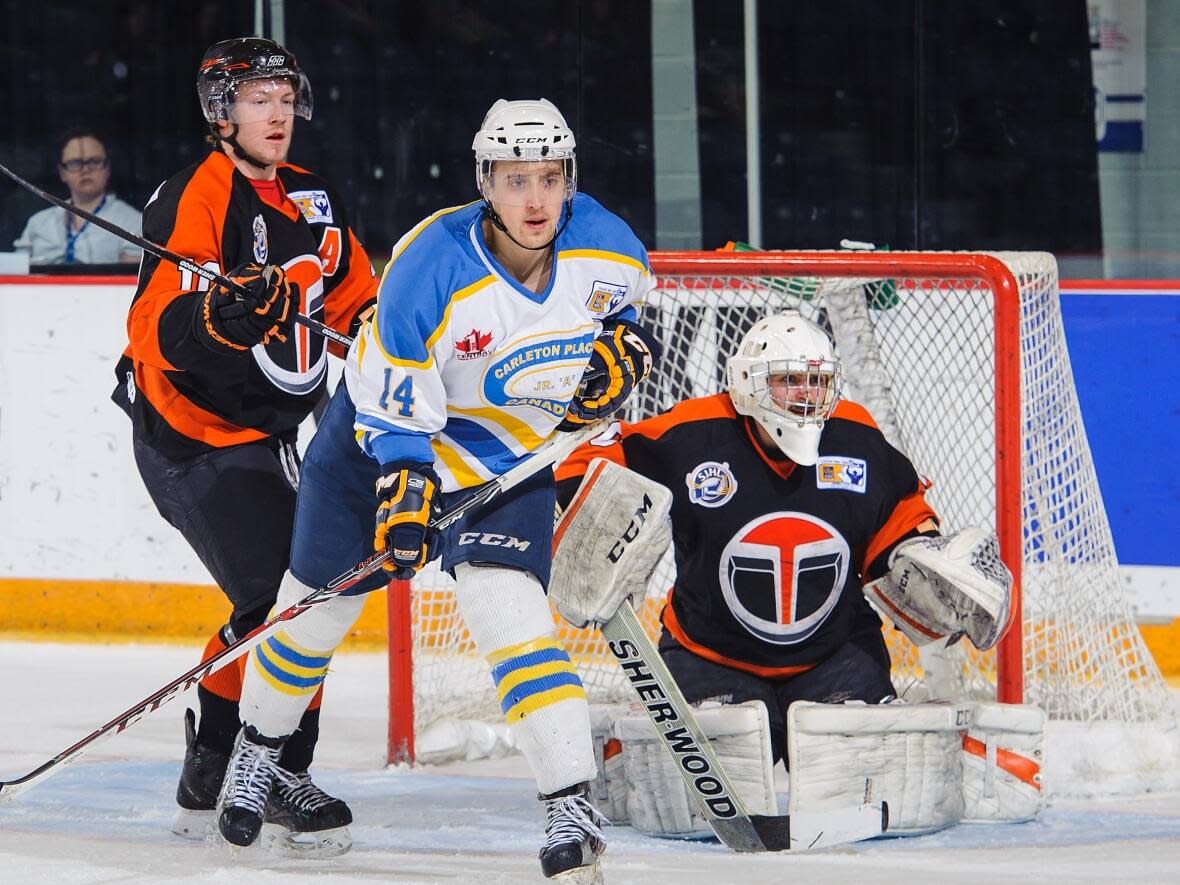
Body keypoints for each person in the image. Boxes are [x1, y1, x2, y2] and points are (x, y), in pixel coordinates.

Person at [217, 98, 659, 881]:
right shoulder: (431, 259)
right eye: (515, 179)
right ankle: (256, 755)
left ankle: (567, 803)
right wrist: (406, 487)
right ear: (485, 181)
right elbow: (395, 400)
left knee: (510, 615)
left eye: (549, 179)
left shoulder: (610, 250)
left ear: (570, 181)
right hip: (373, 446)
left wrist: (626, 350)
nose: (534, 199)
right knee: (316, 610)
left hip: (503, 461)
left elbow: (631, 319)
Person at [111, 37, 378, 853]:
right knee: (287, 599)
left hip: (269, 435)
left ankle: (214, 752)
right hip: (189, 437)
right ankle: (279, 767)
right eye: (258, 99)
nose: (278, 114)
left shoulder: (312, 198)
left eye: (285, 97)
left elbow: (359, 303)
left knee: (303, 593)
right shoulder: (198, 193)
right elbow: (153, 327)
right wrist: (215, 318)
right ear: (222, 113)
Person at [554, 310, 941, 767]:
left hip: (837, 657)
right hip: (708, 655)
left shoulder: (855, 434)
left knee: (865, 785)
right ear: (748, 383)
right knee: (687, 804)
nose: (805, 396)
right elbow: (596, 455)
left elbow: (899, 513)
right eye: (788, 380)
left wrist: (922, 556)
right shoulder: (694, 433)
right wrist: (580, 503)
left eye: (816, 382)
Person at [13, 128, 142, 265]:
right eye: (74, 163)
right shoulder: (38, 223)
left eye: (94, 161)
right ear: (62, 172)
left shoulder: (134, 222)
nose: (85, 170)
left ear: (108, 167)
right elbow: (16, 273)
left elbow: (131, 282)